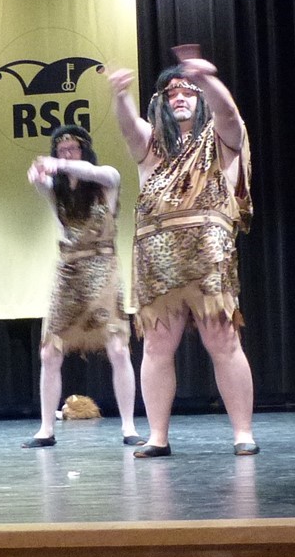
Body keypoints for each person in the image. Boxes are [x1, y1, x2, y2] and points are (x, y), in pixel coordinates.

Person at [106, 53, 256, 457]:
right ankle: (157, 436)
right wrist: (121, 96)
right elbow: (128, 127)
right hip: (158, 258)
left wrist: (206, 79)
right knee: (156, 347)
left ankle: (243, 434)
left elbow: (229, 114)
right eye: (172, 93)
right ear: (160, 103)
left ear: (201, 98)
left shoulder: (219, 139)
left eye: (188, 91)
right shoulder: (151, 145)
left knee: (223, 342)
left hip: (208, 254)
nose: (180, 97)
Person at [21, 125, 143, 448]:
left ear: (84, 151)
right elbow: (42, 183)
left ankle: (129, 427)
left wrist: (59, 164)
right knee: (50, 352)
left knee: (118, 348)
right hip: (69, 271)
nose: (66, 154)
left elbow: (93, 172)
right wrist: (38, 175)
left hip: (103, 268)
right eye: (60, 151)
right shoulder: (57, 190)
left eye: (72, 149)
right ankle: (46, 429)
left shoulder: (107, 179)